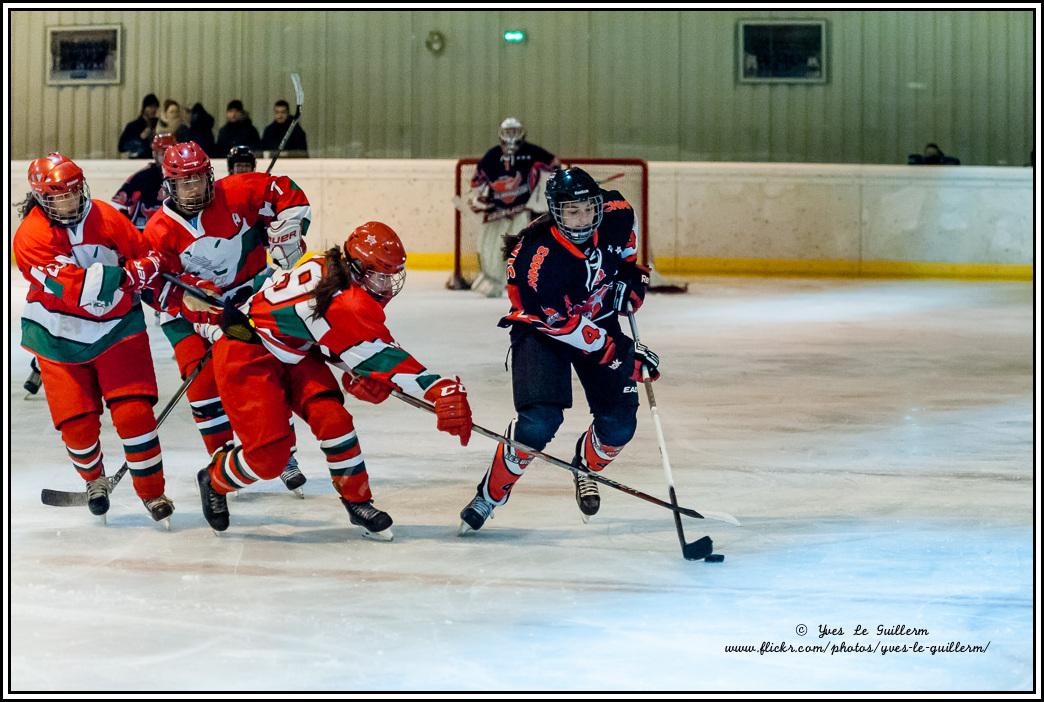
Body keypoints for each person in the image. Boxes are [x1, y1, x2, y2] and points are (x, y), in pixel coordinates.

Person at [194, 222, 473, 540]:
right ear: (357, 266)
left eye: (390, 277)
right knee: (268, 459)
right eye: (380, 276)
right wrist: (440, 389)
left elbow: (325, 335)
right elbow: (382, 356)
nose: (386, 286)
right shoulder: (345, 303)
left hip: (293, 350)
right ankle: (214, 479)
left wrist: (354, 367)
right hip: (248, 355)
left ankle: (358, 502)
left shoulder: (330, 265)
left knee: (334, 418)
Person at [458, 167, 656, 533]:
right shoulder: (537, 260)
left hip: (596, 319)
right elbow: (560, 324)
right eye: (572, 212)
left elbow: (629, 263)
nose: (582, 220)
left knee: (619, 426)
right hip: (542, 332)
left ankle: (585, 468)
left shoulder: (619, 213)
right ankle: (490, 495)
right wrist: (619, 353)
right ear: (555, 212)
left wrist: (633, 285)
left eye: (588, 209)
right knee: (539, 424)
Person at [13, 153, 183, 522]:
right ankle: (93, 479)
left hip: (118, 328)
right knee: (77, 426)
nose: (70, 202)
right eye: (59, 197)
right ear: (42, 199)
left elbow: (146, 255)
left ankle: (153, 493)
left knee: (135, 414)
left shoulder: (106, 216)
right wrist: (130, 276)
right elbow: (81, 289)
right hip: (57, 336)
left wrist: (153, 270)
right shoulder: (29, 237)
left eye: (74, 193)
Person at [144, 141, 311, 495]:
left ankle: (286, 454)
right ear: (170, 186)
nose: (195, 188)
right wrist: (194, 302)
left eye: (199, 179)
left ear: (210, 175)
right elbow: (156, 288)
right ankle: (221, 460)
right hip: (187, 316)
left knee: (266, 372)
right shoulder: (158, 230)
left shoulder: (237, 191)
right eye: (185, 182)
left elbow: (283, 190)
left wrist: (289, 226)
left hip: (249, 298)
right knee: (203, 386)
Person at [465, 117, 559, 297]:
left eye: (515, 131)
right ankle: (493, 279)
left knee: (520, 248)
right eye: (508, 132)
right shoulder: (492, 155)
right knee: (488, 248)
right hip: (496, 213)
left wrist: (542, 192)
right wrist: (477, 199)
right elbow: (477, 184)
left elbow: (554, 165)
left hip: (522, 212)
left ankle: (520, 281)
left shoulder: (533, 152)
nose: (511, 136)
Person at [112, 133, 177, 230]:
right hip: (142, 232)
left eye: (170, 153)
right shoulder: (142, 177)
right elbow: (117, 205)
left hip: (171, 233)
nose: (167, 157)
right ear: (154, 153)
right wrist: (126, 227)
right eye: (163, 153)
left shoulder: (182, 177)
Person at [118, 93, 160, 159]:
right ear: (144, 108)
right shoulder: (133, 126)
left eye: (155, 107)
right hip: (138, 160)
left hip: (156, 160)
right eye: (150, 107)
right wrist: (140, 138)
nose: (153, 110)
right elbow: (122, 147)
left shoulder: (159, 124)